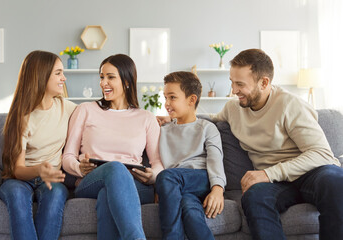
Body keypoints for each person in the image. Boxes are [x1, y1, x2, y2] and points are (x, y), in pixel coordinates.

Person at [209, 49, 343, 239]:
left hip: (310, 174)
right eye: (232, 82)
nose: (234, 90)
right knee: (254, 197)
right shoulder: (233, 108)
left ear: (264, 82)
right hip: (276, 183)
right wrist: (173, 119)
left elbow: (322, 153)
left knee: (336, 180)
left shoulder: (290, 105)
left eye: (240, 84)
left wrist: (267, 173)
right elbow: (212, 119)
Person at [62, 54, 164, 240]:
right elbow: (68, 155)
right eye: (101, 77)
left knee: (106, 196)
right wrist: (78, 167)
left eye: (110, 77)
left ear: (126, 80)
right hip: (91, 180)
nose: (103, 83)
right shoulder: (85, 110)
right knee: (115, 168)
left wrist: (152, 176)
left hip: (136, 185)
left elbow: (157, 162)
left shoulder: (146, 118)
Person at [0, 50, 77, 240]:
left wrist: (153, 118)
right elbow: (17, 170)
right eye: (58, 73)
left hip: (51, 180)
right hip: (20, 179)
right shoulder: (21, 117)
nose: (64, 78)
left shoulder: (65, 107)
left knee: (56, 194)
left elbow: (99, 115)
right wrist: (39, 170)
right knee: (16, 196)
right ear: (41, 76)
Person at [156, 71, 226, 240]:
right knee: (189, 209)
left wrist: (218, 189)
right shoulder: (162, 131)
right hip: (177, 186)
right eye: (165, 97)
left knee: (166, 177)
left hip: (201, 178)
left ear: (191, 100)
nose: (166, 103)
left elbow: (215, 160)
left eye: (172, 97)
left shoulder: (207, 128)